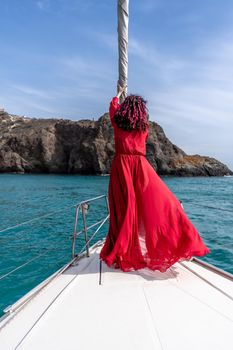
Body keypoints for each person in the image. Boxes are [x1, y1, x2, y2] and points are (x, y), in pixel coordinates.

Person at [100, 85, 211, 272]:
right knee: (165, 203)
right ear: (141, 112)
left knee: (124, 210)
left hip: (121, 168)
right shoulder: (143, 128)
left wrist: (118, 95)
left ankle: (123, 250)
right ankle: (183, 239)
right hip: (141, 168)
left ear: (125, 109)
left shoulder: (117, 122)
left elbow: (112, 107)